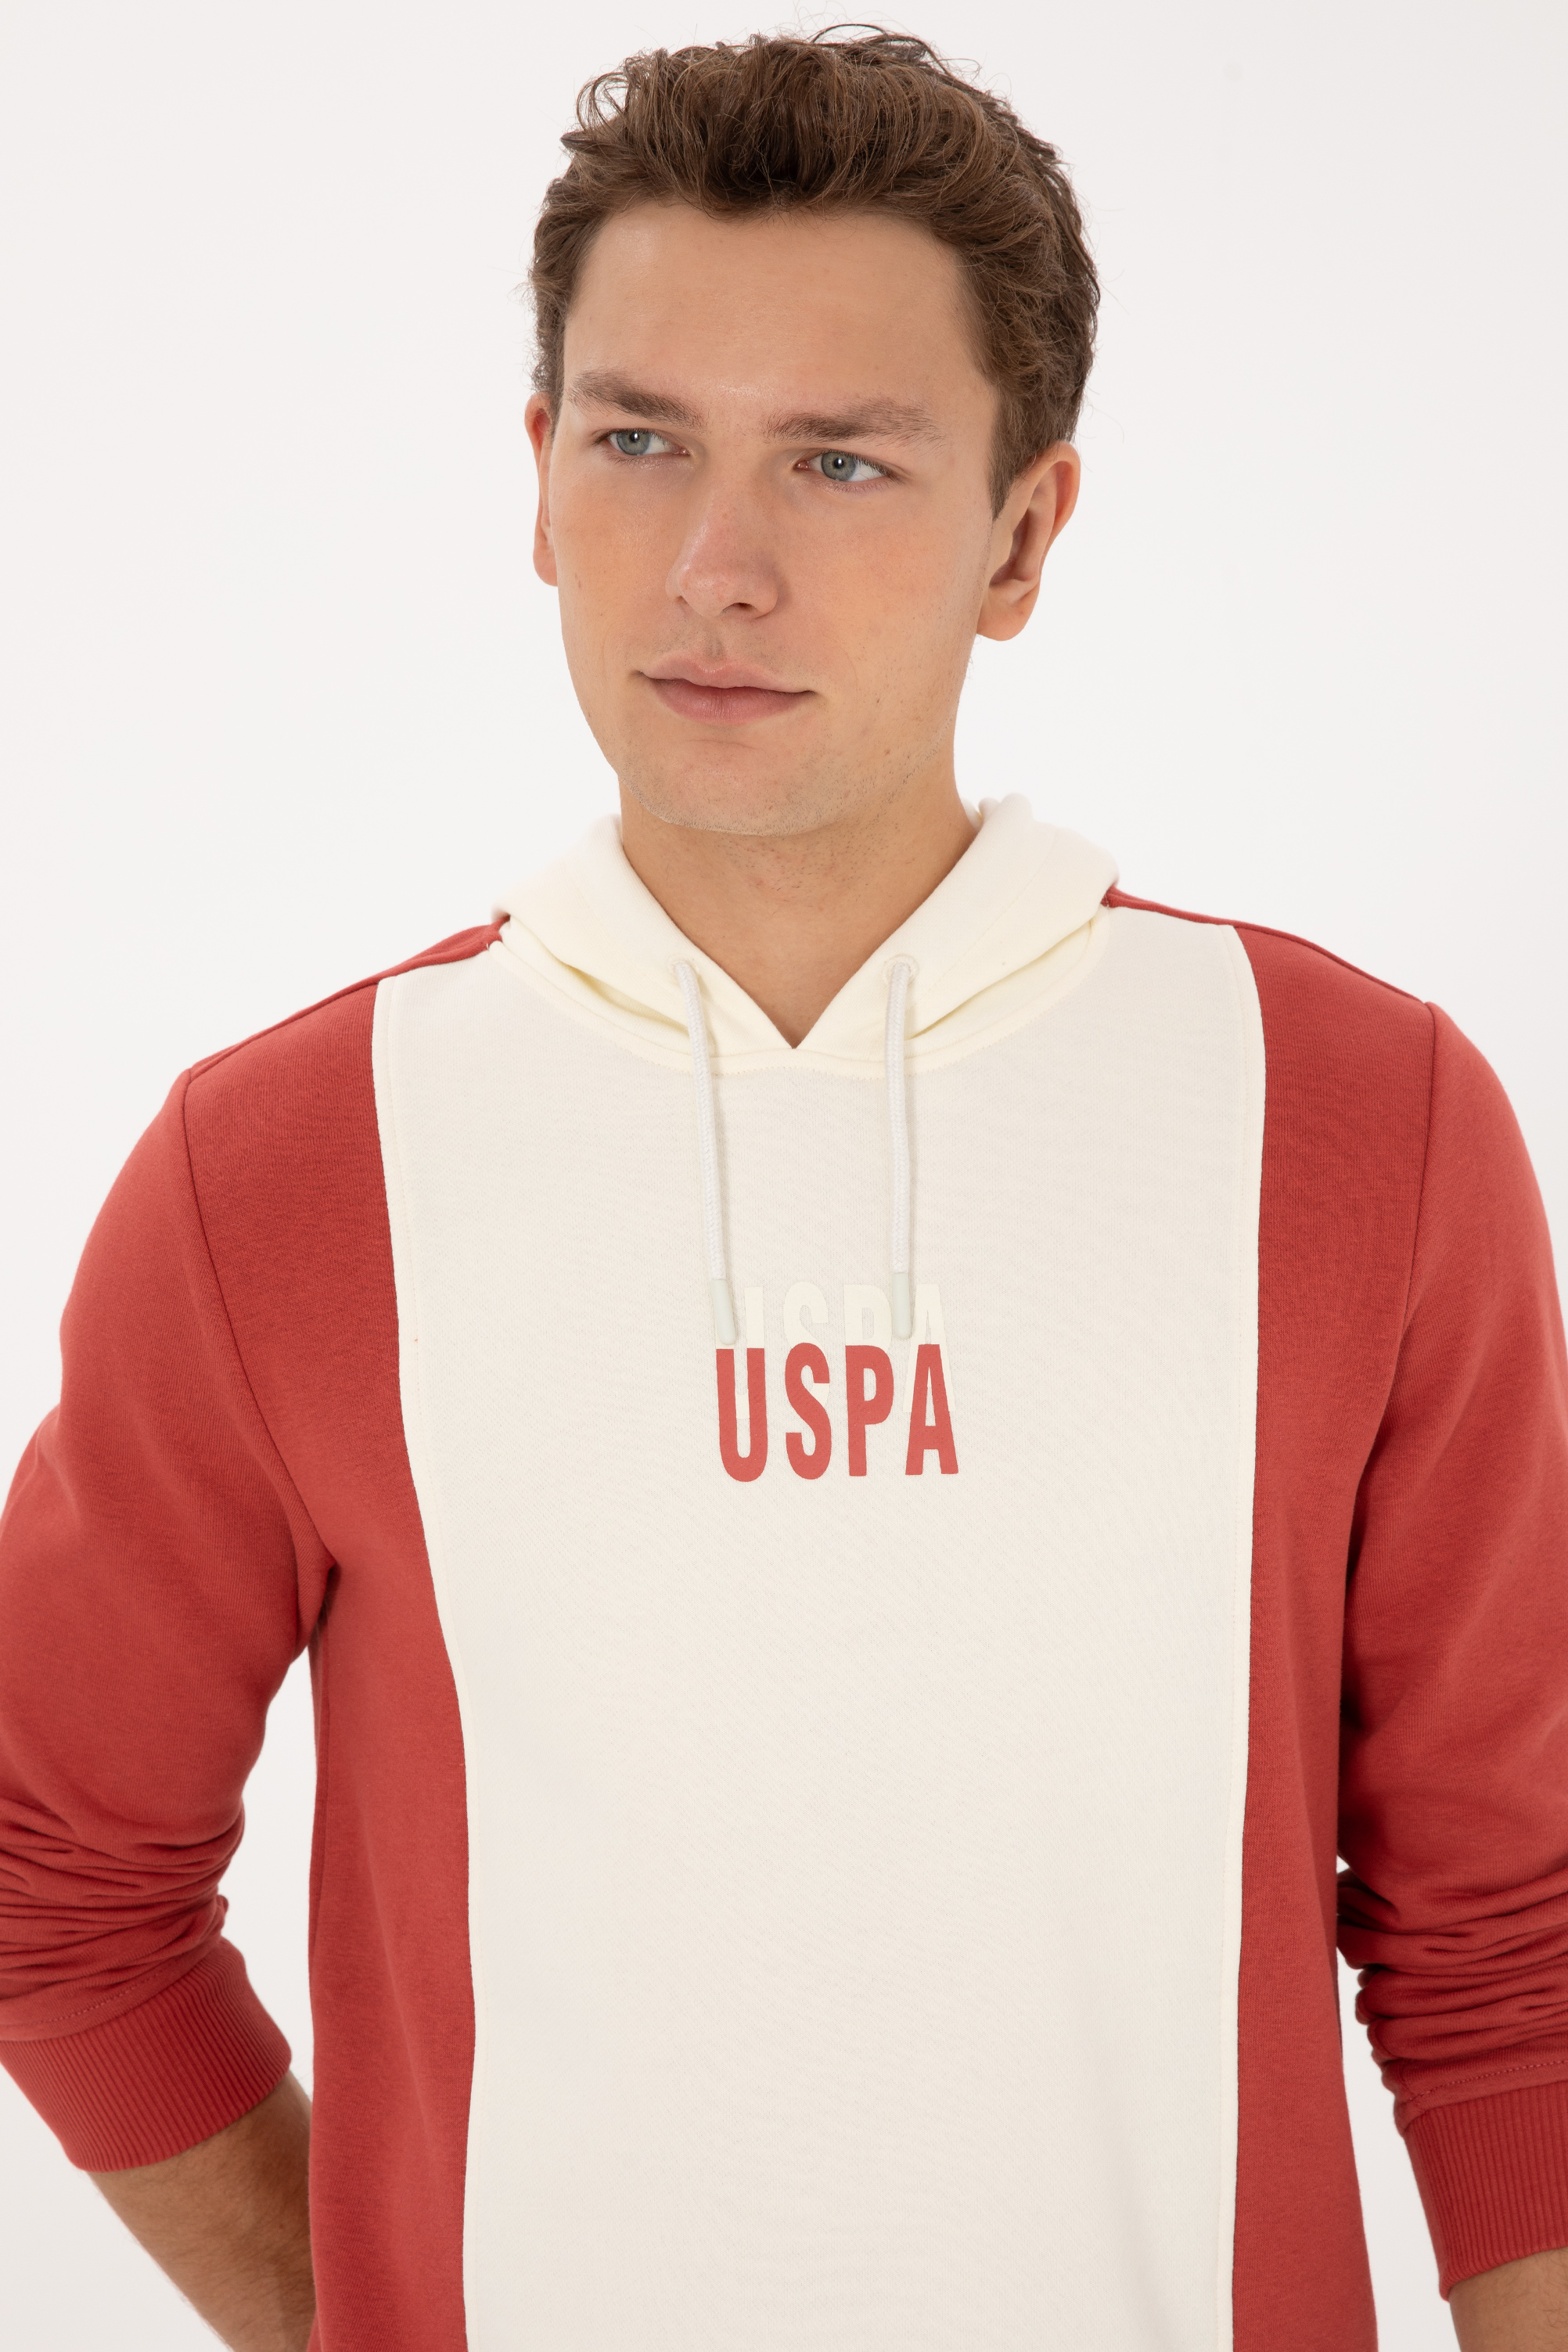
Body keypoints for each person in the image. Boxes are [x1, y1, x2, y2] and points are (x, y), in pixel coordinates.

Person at [2, 26, 1566, 2352]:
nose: (714, 569)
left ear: (1021, 535)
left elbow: (1510, 1954)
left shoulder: (1358, 1124)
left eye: (839, 462)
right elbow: (54, 1887)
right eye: (640, 441)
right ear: (541, 483)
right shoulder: (284, 1173)